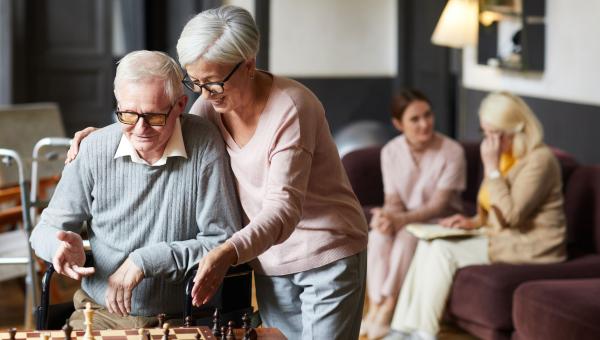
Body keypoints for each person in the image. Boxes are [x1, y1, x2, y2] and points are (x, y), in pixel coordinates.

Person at [65, 6, 368, 339]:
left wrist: (226, 251)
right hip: (268, 256)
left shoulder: (292, 108)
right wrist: (102, 137)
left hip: (325, 252)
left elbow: (283, 210)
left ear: (248, 65)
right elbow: (164, 126)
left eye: (213, 83)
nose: (204, 94)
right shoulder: (210, 106)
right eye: (195, 83)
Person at [30, 50, 241, 330]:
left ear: (180, 105)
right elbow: (42, 231)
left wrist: (146, 260)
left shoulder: (204, 143)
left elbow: (222, 241)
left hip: (184, 317)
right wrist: (60, 247)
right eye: (128, 115)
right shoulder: (93, 149)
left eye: (154, 116)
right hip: (100, 314)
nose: (140, 129)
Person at [384, 92, 567, 340]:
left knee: (442, 250)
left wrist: (491, 170)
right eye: (485, 133)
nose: (488, 141)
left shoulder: (540, 161)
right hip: (500, 236)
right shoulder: (505, 155)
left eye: (494, 133)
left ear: (513, 129)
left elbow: (511, 216)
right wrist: (472, 222)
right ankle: (402, 329)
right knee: (429, 244)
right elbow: (492, 210)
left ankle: (422, 334)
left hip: (531, 246)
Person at [362, 89, 466, 339]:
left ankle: (387, 308)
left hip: (440, 221)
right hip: (406, 219)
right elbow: (394, 201)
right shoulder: (390, 152)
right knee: (377, 236)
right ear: (398, 124)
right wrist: (386, 218)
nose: (425, 123)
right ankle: (374, 306)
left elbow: (439, 206)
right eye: (415, 119)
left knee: (407, 238)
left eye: (428, 115)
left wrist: (398, 220)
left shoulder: (452, 151)